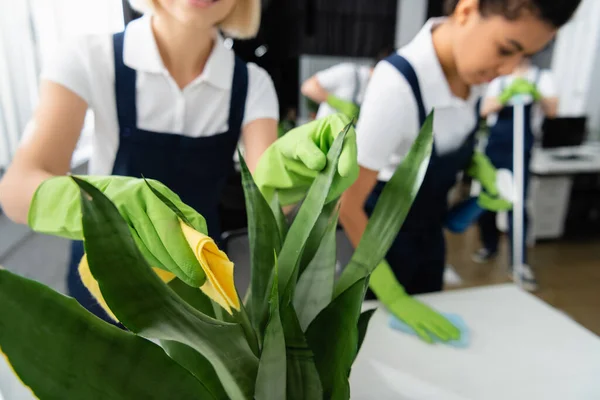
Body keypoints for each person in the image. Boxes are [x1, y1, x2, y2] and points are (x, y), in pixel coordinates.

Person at [0, 0, 357, 324]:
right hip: (104, 288)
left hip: (201, 292)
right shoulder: (90, 58)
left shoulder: (252, 84)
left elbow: (267, 193)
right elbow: (16, 190)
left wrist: (291, 173)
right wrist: (98, 208)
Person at [339, 0, 580, 343]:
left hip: (431, 239)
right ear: (467, 10)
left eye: (524, 57)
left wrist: (479, 170)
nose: (510, 69)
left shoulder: (477, 77)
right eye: (505, 49)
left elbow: (452, 141)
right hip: (378, 250)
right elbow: (347, 204)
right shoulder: (399, 85)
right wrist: (390, 292)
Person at [474, 57, 558, 291]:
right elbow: (484, 110)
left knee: (518, 204)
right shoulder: (500, 81)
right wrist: (506, 95)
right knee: (489, 198)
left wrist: (536, 94)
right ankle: (489, 246)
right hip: (496, 147)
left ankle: (518, 262)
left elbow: (552, 111)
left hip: (522, 149)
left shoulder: (542, 78)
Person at [300, 49, 392, 120]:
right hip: (322, 140)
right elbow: (308, 87)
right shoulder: (350, 73)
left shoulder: (379, 95)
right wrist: (337, 103)